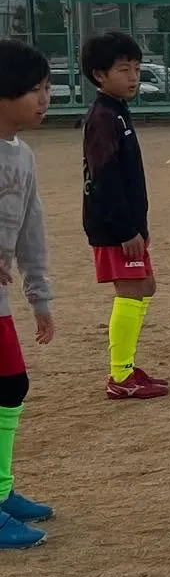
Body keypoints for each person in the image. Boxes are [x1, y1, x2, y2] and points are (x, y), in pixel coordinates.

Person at [81, 31, 167, 399]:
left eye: (136, 68)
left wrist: (141, 225)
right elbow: (105, 179)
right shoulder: (103, 117)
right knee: (131, 290)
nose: (133, 76)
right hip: (115, 226)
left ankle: (127, 366)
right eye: (123, 69)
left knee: (145, 286)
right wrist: (126, 229)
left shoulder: (118, 110)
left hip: (129, 223)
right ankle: (120, 377)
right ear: (100, 75)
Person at [0, 40, 56, 548]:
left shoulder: (24, 156)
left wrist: (40, 297)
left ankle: (1, 491)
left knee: (11, 386)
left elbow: (30, 231)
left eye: (46, 88)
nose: (46, 97)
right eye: (35, 89)